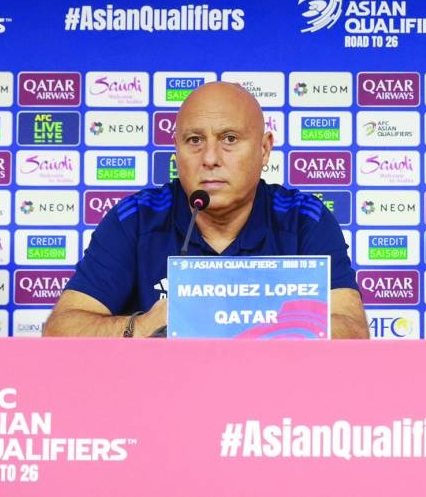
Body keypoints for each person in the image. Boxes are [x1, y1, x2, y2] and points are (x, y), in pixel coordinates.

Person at [44, 82, 369, 339]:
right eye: (194, 140)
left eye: (230, 139)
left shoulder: (303, 219)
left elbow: (353, 331)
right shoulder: (137, 218)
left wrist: (239, 320)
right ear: (177, 151)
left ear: (264, 148)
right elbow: (60, 330)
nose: (210, 158)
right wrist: (142, 327)